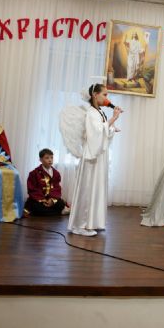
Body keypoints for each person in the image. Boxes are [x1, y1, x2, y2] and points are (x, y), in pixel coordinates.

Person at [68, 83, 122, 236]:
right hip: (91, 156)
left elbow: (102, 130)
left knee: (95, 189)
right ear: (95, 95)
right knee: (87, 190)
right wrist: (113, 119)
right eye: (104, 94)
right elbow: (95, 133)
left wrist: (112, 128)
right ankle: (79, 225)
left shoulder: (99, 112)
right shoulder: (91, 112)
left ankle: (92, 222)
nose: (106, 98)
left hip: (99, 157)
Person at [25, 148, 68, 216]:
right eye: (47, 158)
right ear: (41, 160)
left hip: (51, 198)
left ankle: (51, 212)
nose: (50, 160)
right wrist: (43, 200)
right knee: (36, 207)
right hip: (39, 199)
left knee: (60, 204)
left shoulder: (56, 173)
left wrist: (52, 200)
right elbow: (32, 189)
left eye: (51, 157)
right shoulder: (34, 173)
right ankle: (57, 212)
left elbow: (57, 188)